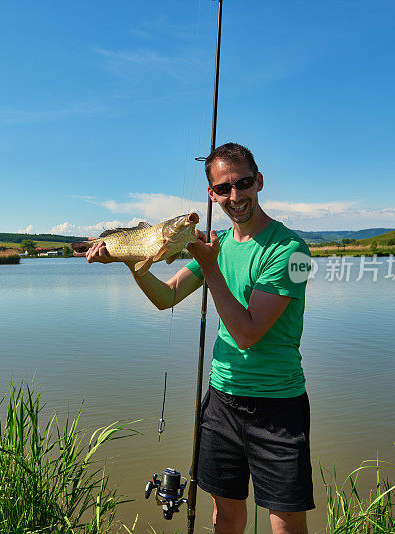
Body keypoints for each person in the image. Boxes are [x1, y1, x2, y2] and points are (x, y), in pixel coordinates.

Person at [85, 143, 313, 534]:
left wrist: (211, 268)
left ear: (259, 181)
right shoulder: (217, 245)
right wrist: (131, 261)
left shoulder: (293, 252)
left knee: (285, 524)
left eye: (243, 183)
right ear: (212, 194)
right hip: (222, 402)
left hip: (278, 408)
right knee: (224, 516)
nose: (235, 196)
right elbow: (167, 296)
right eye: (223, 188)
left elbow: (247, 334)